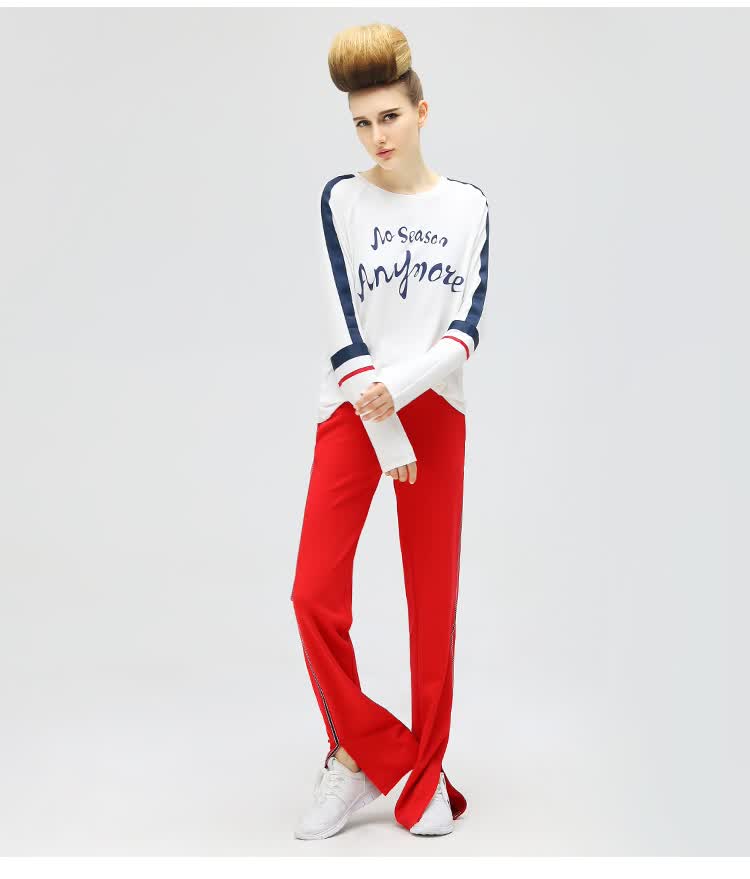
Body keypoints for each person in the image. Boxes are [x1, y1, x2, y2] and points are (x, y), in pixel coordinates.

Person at [290, 21, 490, 840]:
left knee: (431, 603)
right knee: (311, 592)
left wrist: (402, 398)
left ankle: (427, 770)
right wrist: (382, 424)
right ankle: (365, 752)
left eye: (390, 118)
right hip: (355, 403)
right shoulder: (341, 199)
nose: (377, 136)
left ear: (421, 112)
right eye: (362, 123)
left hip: (434, 406)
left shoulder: (468, 206)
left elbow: (466, 329)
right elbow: (341, 321)